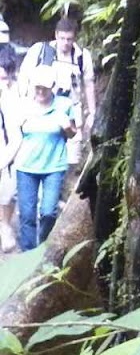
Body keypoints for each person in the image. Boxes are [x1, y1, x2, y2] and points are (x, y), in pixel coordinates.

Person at [4, 63, 76, 250]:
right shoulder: (23, 106)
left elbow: (73, 133)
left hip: (54, 165)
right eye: (38, 86)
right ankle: (29, 254)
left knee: (48, 212)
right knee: (27, 215)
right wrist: (4, 162)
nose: (41, 90)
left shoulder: (64, 105)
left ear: (52, 85)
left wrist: (67, 127)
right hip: (26, 167)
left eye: (45, 86)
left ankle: (43, 249)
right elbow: (15, 138)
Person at [20, 15, 95, 182]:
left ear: (75, 38)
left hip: (72, 111)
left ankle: (61, 190)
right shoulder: (41, 52)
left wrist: (92, 112)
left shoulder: (82, 57)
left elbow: (88, 84)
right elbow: (24, 77)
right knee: (42, 151)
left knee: (72, 158)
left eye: (69, 39)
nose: (66, 43)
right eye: (62, 38)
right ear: (55, 35)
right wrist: (24, 104)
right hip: (43, 110)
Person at [0, 62, 17, 253]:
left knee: (6, 193)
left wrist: (3, 161)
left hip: (4, 156)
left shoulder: (8, 100)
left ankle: (5, 227)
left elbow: (15, 137)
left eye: (3, 78)